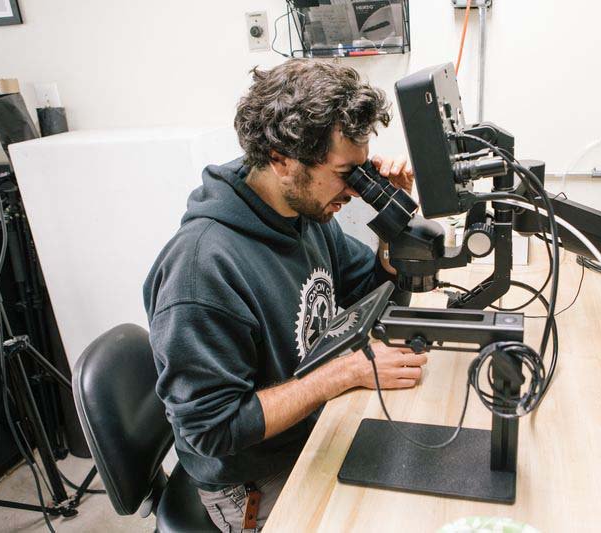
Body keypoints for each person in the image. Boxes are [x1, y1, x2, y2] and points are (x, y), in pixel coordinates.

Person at [143, 59, 428, 532]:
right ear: (281, 159)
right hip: (251, 479)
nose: (354, 192)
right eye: (345, 173)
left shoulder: (302, 213)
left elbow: (374, 294)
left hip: (314, 426)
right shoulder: (202, 271)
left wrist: (393, 226)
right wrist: (336, 376)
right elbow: (212, 429)